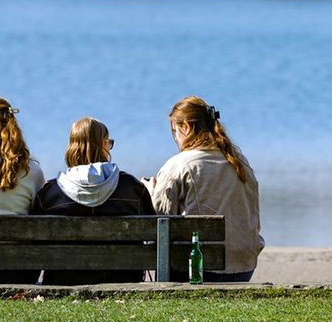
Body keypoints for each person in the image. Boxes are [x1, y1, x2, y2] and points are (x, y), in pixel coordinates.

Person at [146, 96, 263, 282]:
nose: (175, 138)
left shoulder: (179, 164)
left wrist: (150, 193)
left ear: (185, 127)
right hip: (244, 265)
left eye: (174, 131)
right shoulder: (239, 160)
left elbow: (159, 224)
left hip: (200, 269)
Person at [31, 117, 155, 285]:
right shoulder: (132, 188)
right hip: (124, 279)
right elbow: (153, 233)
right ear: (104, 144)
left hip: (63, 280)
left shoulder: (51, 194)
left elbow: (35, 242)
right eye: (108, 143)